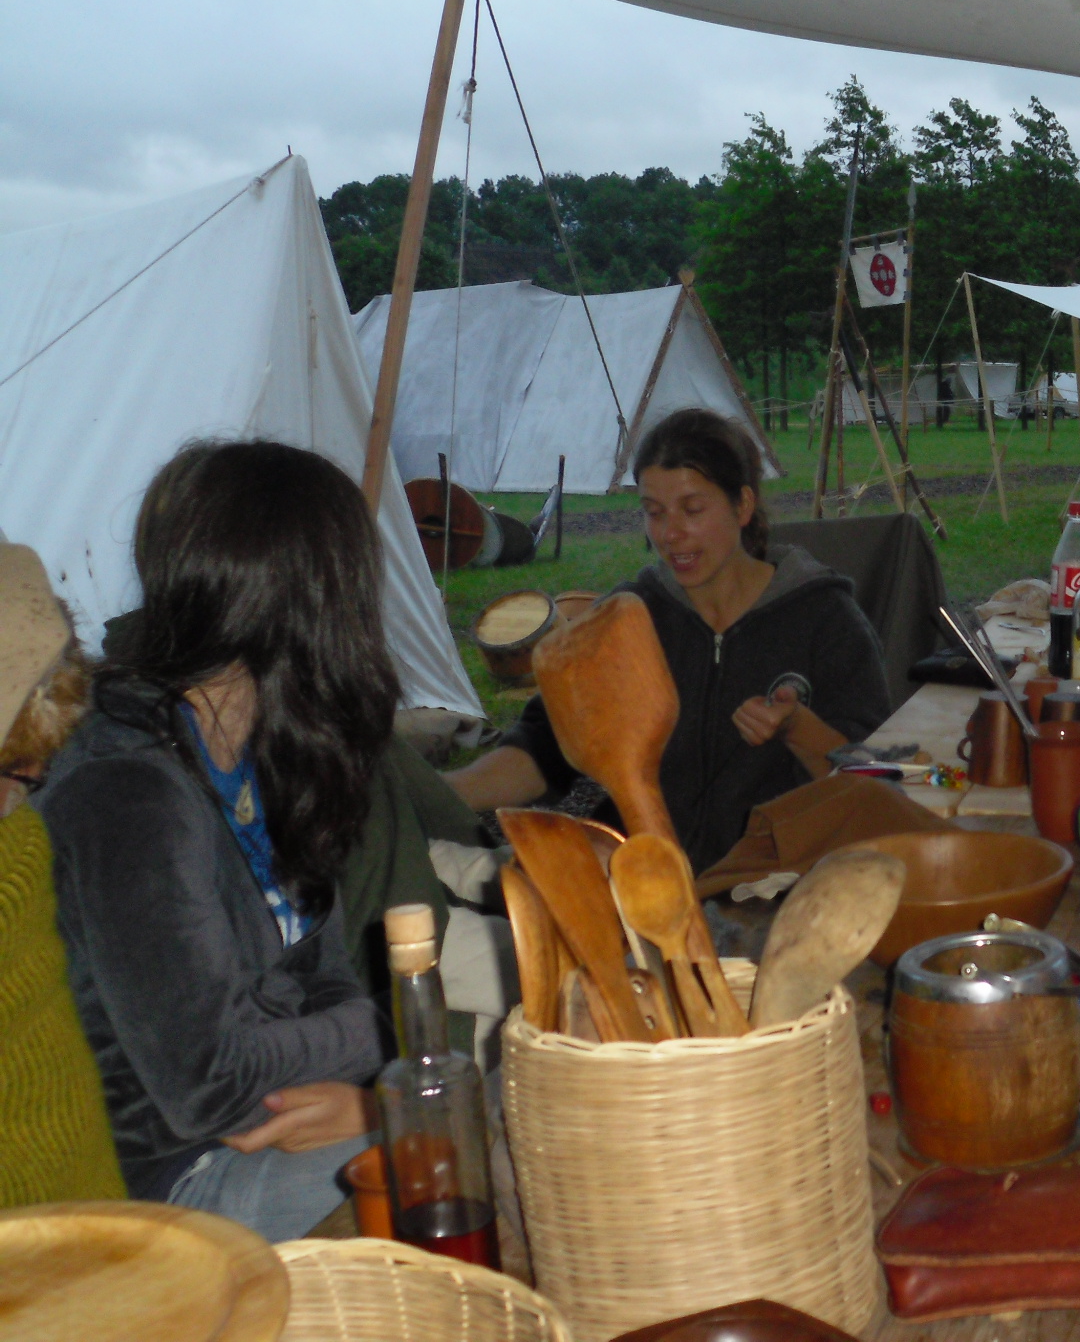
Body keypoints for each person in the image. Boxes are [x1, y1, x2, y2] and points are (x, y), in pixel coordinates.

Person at [40, 443, 387, 1240]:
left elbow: (326, 977)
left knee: (493, 1112)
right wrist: (382, 1038)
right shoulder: (128, 789)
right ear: (309, 597)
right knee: (453, 1140)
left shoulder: (270, 753)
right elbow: (208, 1082)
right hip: (172, 1185)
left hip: (275, 1127)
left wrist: (361, 1094)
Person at [449, 409, 889, 871]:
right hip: (642, 879)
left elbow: (873, 780)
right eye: (654, 512)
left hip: (774, 881)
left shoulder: (824, 617)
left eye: (692, 509)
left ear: (742, 505)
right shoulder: (628, 617)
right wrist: (443, 791)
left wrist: (797, 726)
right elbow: (544, 745)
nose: (670, 533)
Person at [0, 542, 124, 1207]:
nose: (17, 795)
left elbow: (55, 1104)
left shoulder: (18, 844)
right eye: (8, 768)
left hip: (82, 1237)